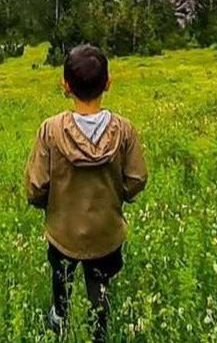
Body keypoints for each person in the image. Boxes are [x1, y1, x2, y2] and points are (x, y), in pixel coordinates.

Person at [25, 44, 148, 341]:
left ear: (65, 85)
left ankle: (60, 320)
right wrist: (118, 196)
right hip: (106, 233)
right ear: (108, 83)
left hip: (63, 231)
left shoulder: (50, 130)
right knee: (100, 289)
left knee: (61, 281)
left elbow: (35, 187)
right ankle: (99, 329)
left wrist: (50, 206)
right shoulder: (124, 130)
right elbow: (137, 178)